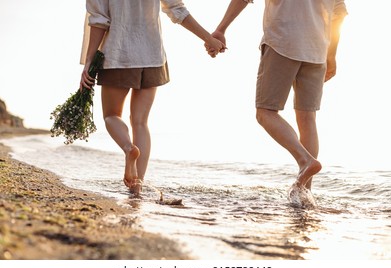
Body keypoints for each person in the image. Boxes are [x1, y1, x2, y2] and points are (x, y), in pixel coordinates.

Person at [207, 0, 347, 207]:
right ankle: (305, 193)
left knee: (265, 112)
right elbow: (338, 14)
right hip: (318, 49)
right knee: (307, 117)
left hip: (283, 42)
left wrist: (220, 29)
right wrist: (332, 55)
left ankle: (305, 161)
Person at [80, 0, 225, 197]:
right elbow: (177, 10)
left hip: (117, 55)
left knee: (111, 116)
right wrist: (208, 38)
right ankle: (137, 185)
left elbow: (99, 21)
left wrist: (89, 61)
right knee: (140, 122)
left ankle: (128, 148)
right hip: (153, 56)